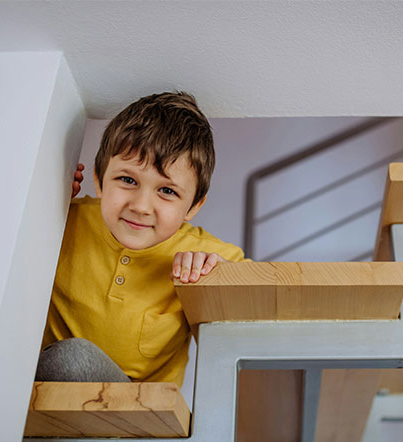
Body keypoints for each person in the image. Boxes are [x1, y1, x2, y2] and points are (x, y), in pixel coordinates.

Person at [36, 92, 247, 385]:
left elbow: (254, 319)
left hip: (142, 416)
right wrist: (38, 204)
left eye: (167, 191)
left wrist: (221, 277)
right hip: (44, 397)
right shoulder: (62, 220)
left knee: (71, 359)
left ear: (194, 206)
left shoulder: (204, 256)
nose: (141, 206)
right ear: (98, 180)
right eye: (127, 180)